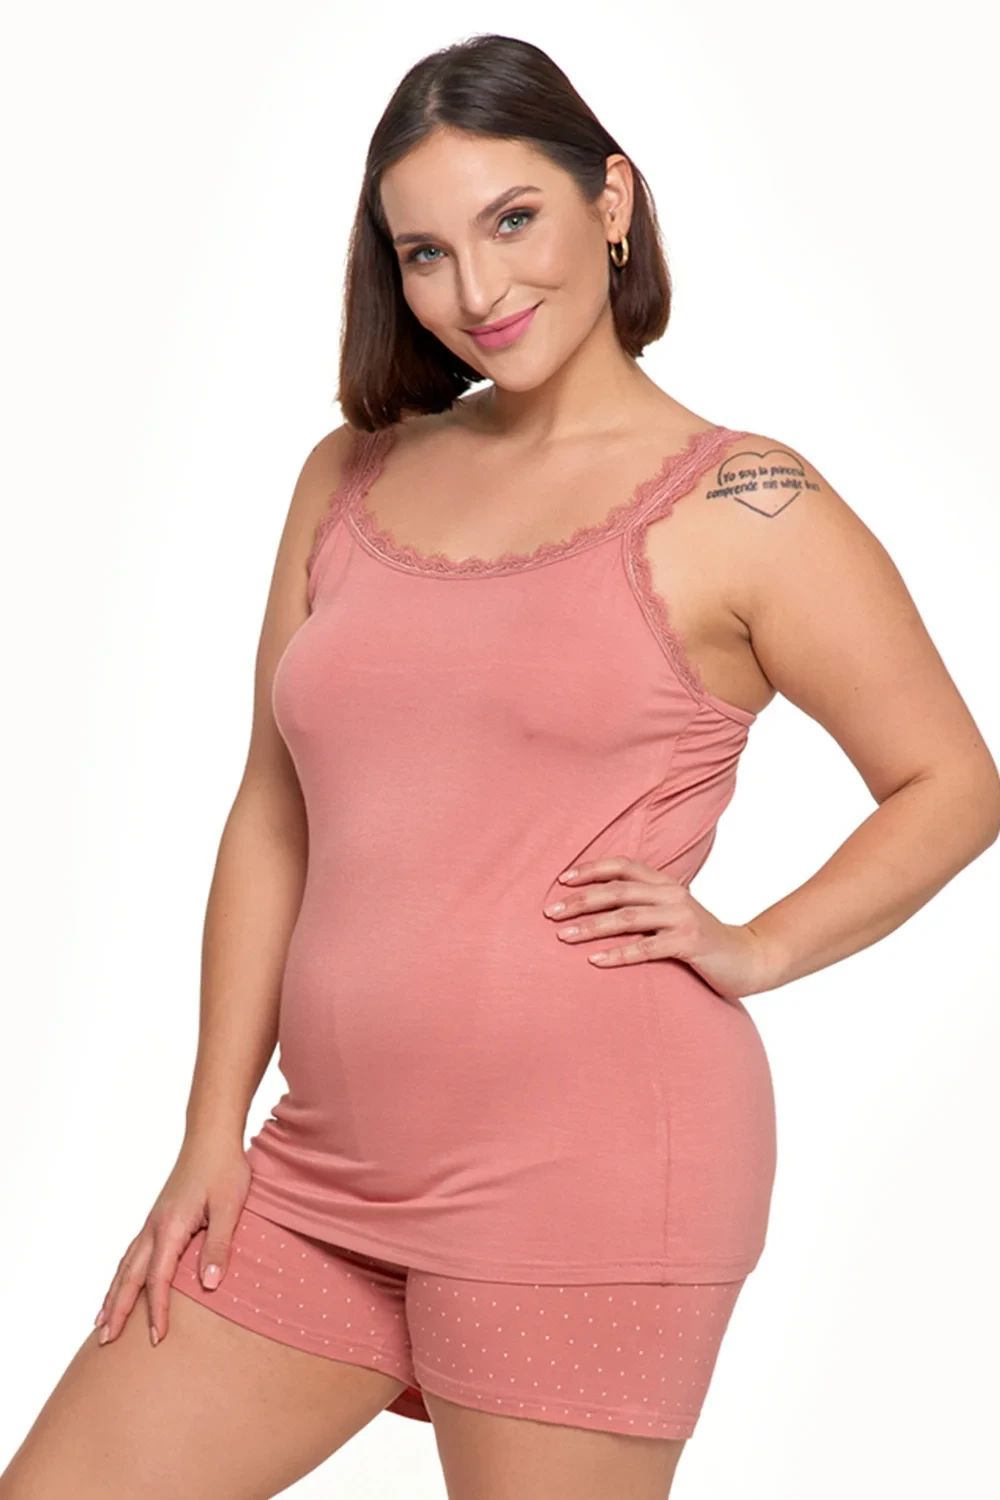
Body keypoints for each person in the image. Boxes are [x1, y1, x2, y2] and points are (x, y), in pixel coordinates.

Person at [3, 30, 998, 1500]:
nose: (477, 290)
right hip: (319, 1167)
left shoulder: (747, 502)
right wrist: (212, 1130)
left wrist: (758, 946)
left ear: (612, 200)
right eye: (426, 252)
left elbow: (952, 782)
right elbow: (273, 813)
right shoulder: (351, 473)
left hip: (591, 1178)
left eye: (513, 219)